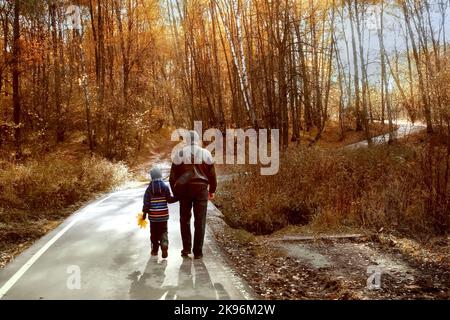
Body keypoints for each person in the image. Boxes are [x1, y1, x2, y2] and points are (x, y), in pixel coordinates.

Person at [170, 130, 217, 259]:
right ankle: (198, 252)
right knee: (200, 221)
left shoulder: (179, 154)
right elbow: (212, 174)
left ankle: (186, 249)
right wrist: (212, 190)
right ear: (197, 140)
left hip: (184, 191)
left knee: (184, 220)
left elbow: (172, 177)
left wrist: (176, 193)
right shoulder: (206, 153)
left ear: (185, 140)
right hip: (201, 190)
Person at [143, 167, 177, 258]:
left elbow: (146, 203)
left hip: (153, 217)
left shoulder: (149, 189)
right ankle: (164, 245)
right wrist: (177, 197)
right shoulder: (165, 187)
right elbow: (169, 200)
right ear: (160, 175)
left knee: (153, 233)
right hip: (163, 216)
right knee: (163, 232)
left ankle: (154, 250)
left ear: (151, 176)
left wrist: (144, 214)